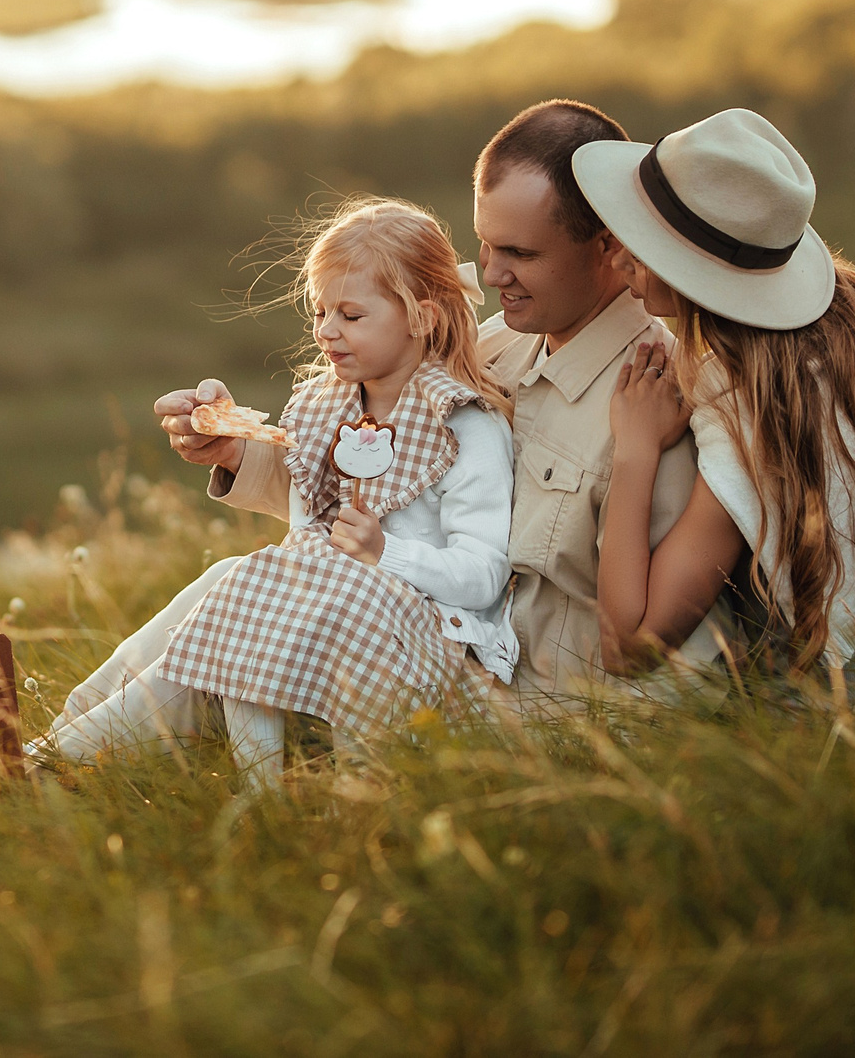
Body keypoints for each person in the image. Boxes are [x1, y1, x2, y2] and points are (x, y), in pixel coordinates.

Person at [36, 198, 516, 785]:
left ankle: (64, 761)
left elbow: (484, 576)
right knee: (230, 579)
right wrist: (229, 438)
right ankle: (64, 728)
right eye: (319, 312)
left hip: (420, 644)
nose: (326, 332)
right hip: (334, 615)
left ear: (421, 317)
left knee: (244, 602)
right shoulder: (330, 407)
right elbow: (305, 514)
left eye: (351, 315)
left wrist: (385, 552)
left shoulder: (463, 427)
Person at [574, 108, 855, 700]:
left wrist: (634, 450)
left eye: (637, 243)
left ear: (691, 274)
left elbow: (629, 646)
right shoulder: (839, 336)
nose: (614, 258)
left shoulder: (751, 414)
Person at [469, 100, 733, 698]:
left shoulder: (662, 398)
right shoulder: (490, 348)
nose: (490, 274)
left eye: (521, 254)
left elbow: (669, 663)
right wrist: (240, 456)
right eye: (486, 244)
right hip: (467, 681)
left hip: (565, 724)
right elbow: (387, 470)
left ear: (609, 246)